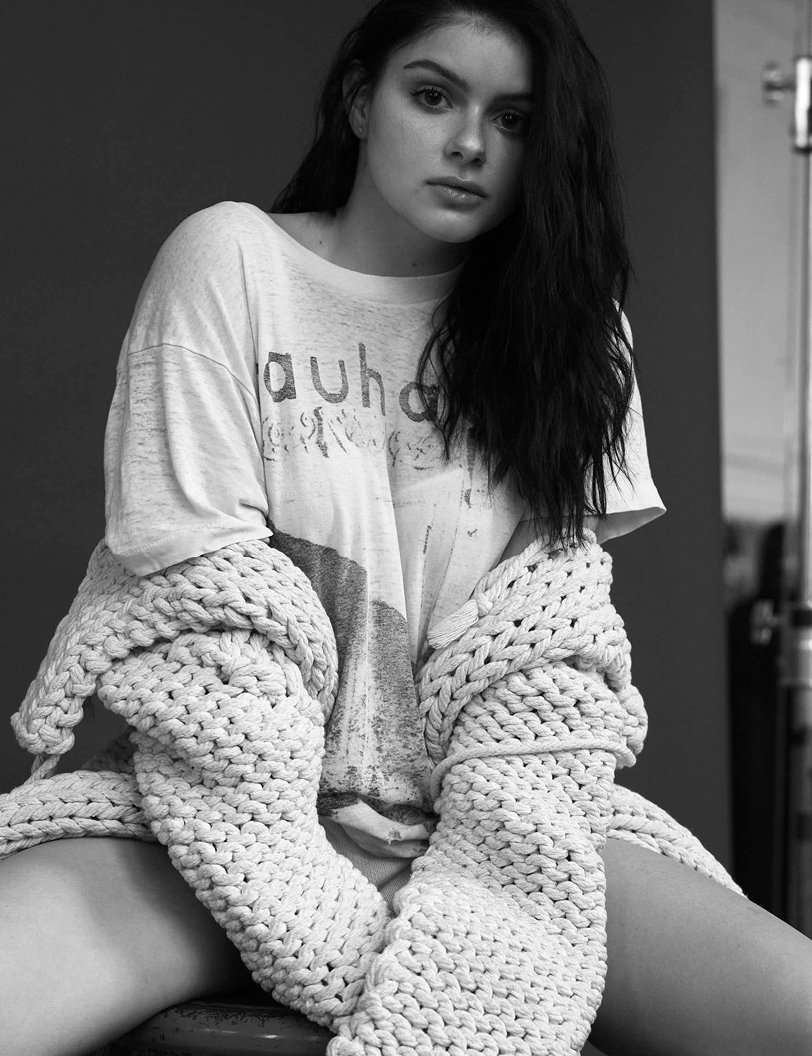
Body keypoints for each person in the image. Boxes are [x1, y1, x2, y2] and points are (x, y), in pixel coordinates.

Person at [2, 1, 812, 1054]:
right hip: (222, 807)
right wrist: (310, 869)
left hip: (498, 820)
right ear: (359, 100)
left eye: (514, 120)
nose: (471, 143)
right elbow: (201, 614)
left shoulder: (575, 335)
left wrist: (469, 855)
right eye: (432, 97)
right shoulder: (232, 262)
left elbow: (546, 655)